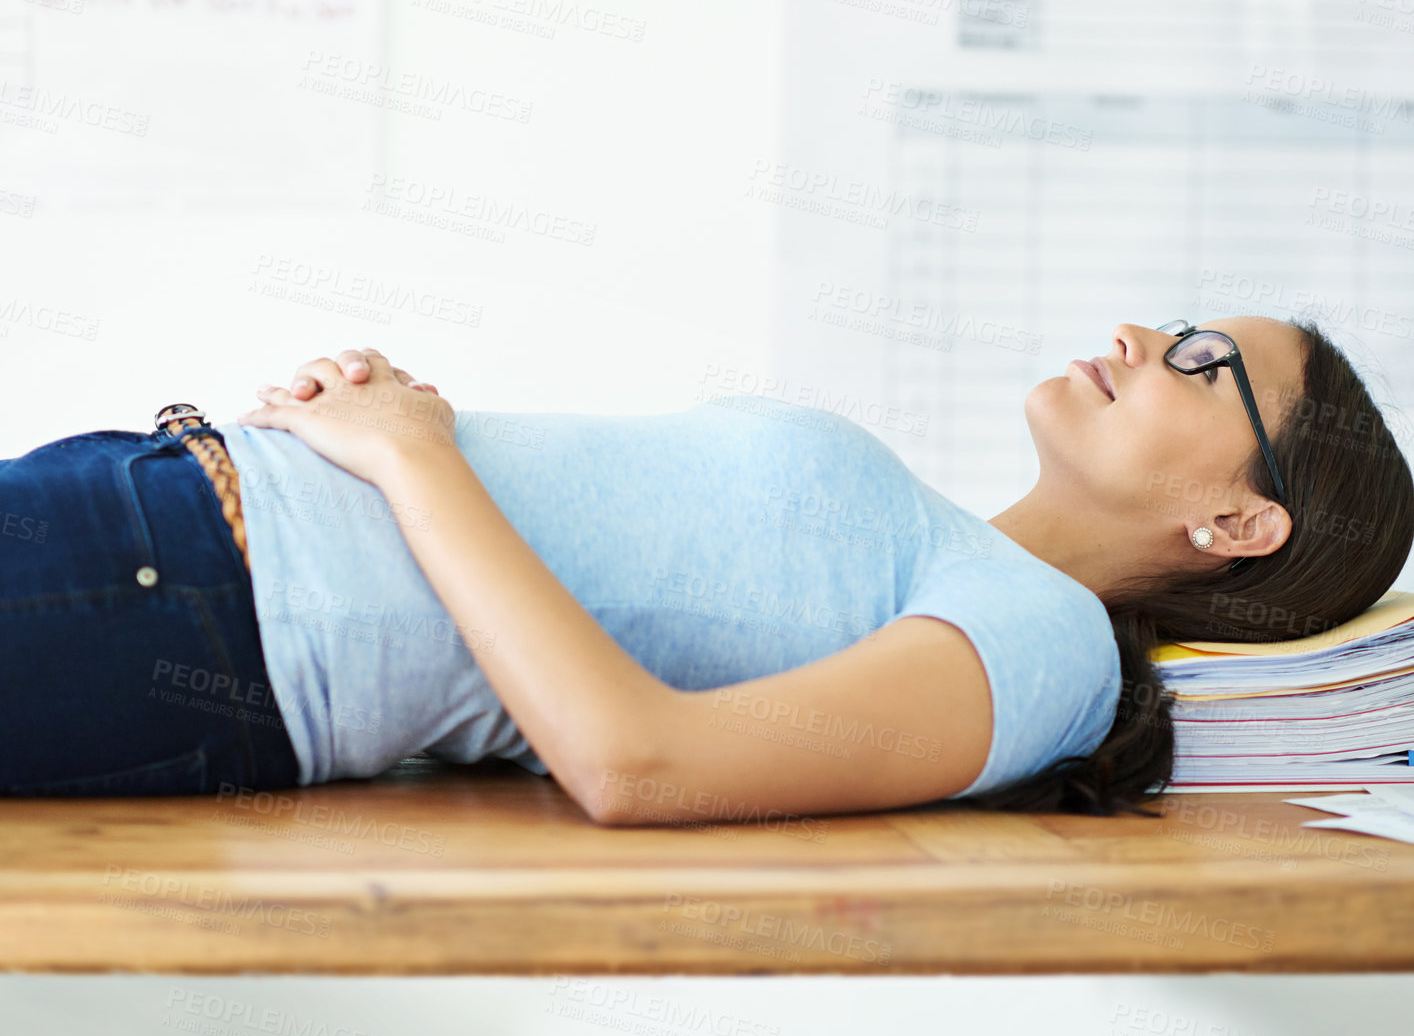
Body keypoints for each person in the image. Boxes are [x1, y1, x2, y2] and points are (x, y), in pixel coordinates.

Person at [1, 317, 1409, 825]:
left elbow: (637, 762)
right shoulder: (948, 546)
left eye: (1197, 362)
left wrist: (412, 456)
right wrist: (390, 416)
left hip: (192, 604)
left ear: (1239, 523)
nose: (1134, 334)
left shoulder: (1047, 652)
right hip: (157, 510)